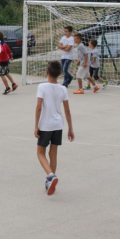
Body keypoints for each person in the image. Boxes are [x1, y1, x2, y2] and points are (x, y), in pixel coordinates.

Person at [34, 60, 75, 196]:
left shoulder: (42, 86)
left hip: (46, 125)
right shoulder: (63, 88)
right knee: (53, 153)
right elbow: (67, 110)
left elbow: (39, 107)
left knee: (40, 153)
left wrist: (36, 126)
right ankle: (50, 180)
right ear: (60, 74)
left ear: (47, 73)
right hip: (58, 124)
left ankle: (51, 176)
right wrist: (70, 128)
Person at [0, 30, 18, 95]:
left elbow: (1, 50)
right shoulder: (4, 43)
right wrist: (10, 57)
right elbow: (8, 50)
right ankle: (14, 84)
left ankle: (7, 88)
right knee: (6, 73)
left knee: (2, 75)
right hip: (6, 60)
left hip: (2, 61)